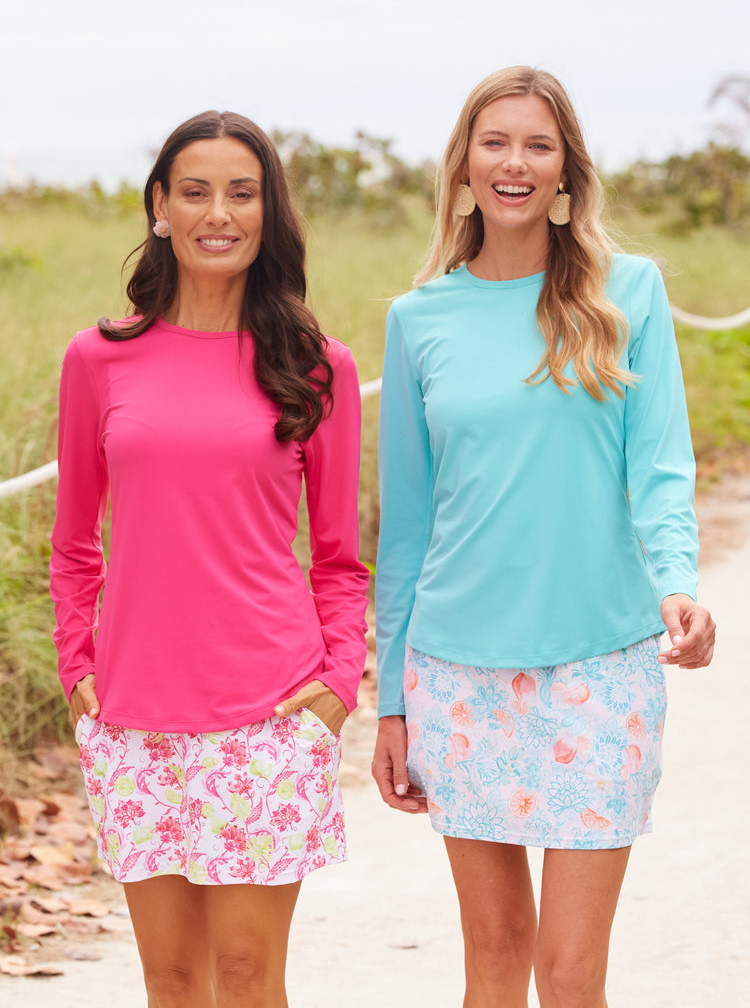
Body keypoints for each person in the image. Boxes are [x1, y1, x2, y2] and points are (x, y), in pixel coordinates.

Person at [372, 66, 715, 1008]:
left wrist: (678, 582)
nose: (514, 163)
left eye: (538, 144)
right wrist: (391, 702)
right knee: (491, 960)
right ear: (464, 166)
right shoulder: (420, 319)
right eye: (495, 142)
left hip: (600, 664)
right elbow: (405, 528)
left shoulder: (628, 292)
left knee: (568, 974)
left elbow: (660, 467)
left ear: (567, 169)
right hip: (455, 673)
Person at [51, 110, 370, 1008]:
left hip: (269, 714)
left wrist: (340, 680)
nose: (217, 213)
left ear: (268, 213)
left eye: (241, 192)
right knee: (173, 981)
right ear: (160, 206)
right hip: (132, 717)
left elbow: (339, 559)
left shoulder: (316, 366)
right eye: (195, 192)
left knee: (245, 974)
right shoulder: (98, 361)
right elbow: (75, 541)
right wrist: (78, 660)